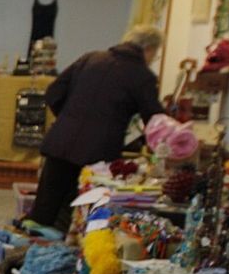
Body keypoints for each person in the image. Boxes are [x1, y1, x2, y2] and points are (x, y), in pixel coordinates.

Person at [26, 24, 167, 231]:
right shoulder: (142, 76)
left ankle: (28, 253)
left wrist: (69, 118)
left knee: (44, 212)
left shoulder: (90, 58)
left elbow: (53, 92)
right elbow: (155, 121)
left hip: (61, 141)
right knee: (80, 217)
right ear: (149, 49)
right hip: (98, 153)